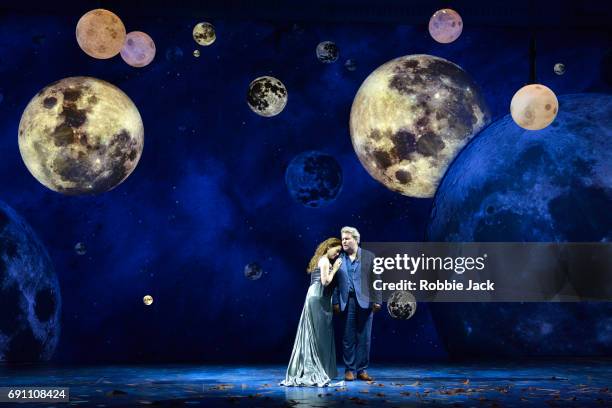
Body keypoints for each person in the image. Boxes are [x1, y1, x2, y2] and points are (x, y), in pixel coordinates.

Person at [280, 237, 345, 387]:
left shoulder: (324, 260)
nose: (337, 254)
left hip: (321, 298)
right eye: (337, 250)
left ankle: (320, 368)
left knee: (319, 334)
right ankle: (314, 369)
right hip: (317, 297)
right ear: (329, 246)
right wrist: (335, 269)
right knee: (317, 334)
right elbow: (325, 281)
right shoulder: (324, 261)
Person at [332, 226, 381, 381]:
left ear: (355, 239)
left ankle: (362, 370)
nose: (343, 241)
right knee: (348, 338)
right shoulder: (339, 259)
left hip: (366, 302)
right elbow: (334, 283)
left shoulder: (369, 256)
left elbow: (376, 279)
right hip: (347, 302)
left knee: (364, 337)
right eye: (342, 239)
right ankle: (349, 370)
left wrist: (377, 300)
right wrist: (335, 302)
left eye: (347, 238)